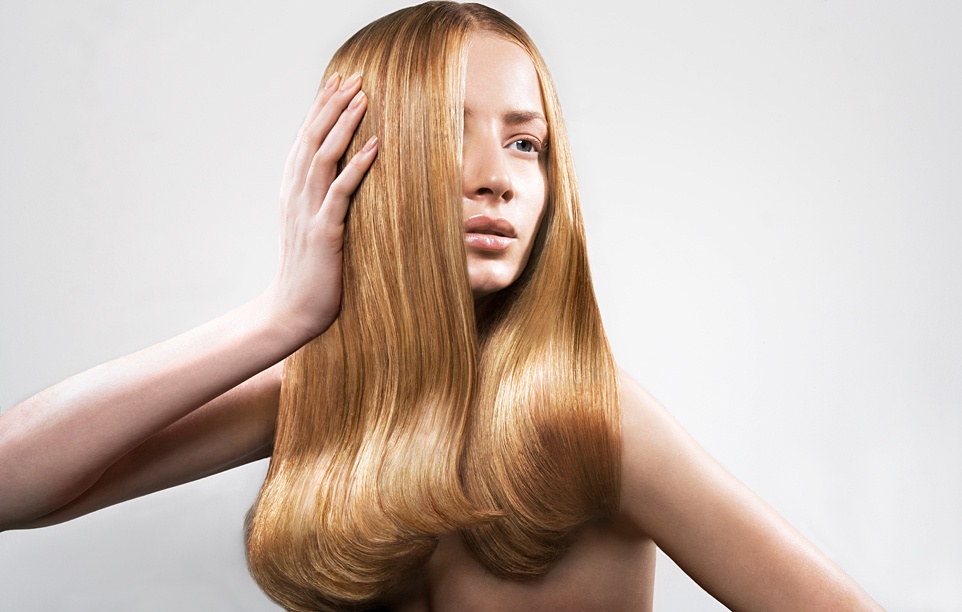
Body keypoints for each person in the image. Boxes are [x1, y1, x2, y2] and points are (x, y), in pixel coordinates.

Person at [0, 2, 882, 610]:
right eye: (447, 132)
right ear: (353, 166)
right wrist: (277, 319)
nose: (498, 178)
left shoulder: (592, 417)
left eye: (526, 143)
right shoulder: (315, 394)